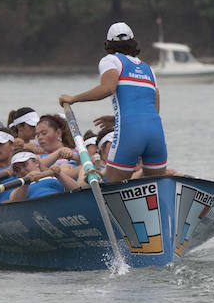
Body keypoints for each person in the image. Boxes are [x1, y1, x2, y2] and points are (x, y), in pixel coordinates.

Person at [60, 21, 167, 182]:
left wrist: (73, 99)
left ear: (108, 44)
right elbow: (154, 109)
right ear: (133, 43)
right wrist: (117, 118)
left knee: (113, 188)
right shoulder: (149, 69)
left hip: (130, 132)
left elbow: (108, 88)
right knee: (159, 187)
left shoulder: (110, 60)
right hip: (156, 132)